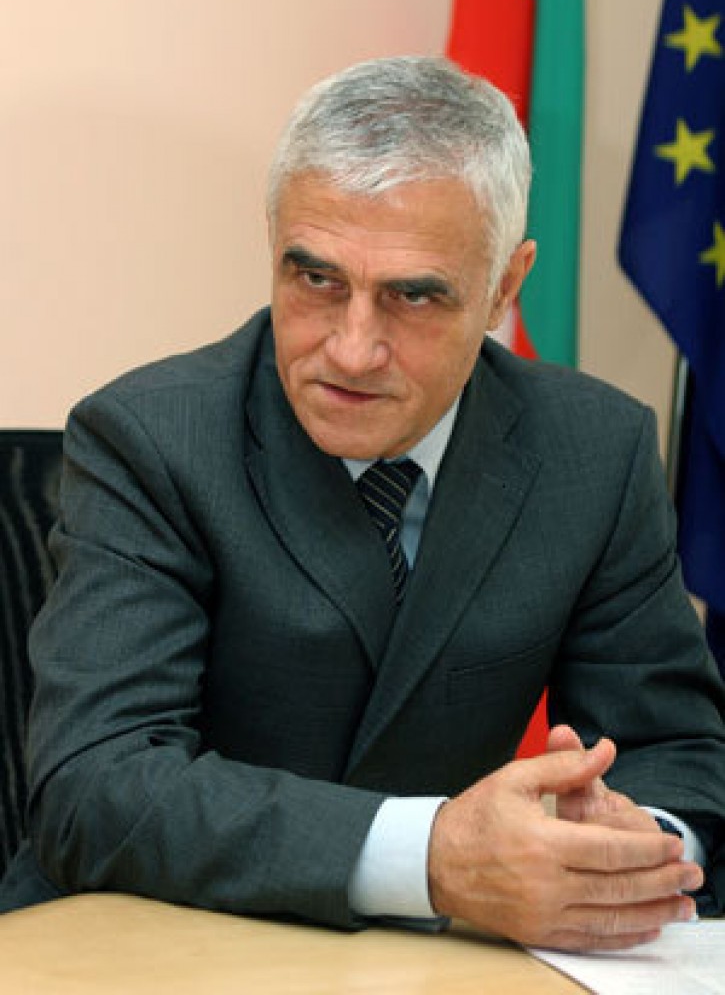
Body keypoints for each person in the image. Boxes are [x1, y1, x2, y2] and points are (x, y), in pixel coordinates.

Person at [2, 56, 724, 951]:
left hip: (437, 965)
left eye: (412, 296)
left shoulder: (592, 450)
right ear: (274, 244)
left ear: (504, 287)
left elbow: (678, 753)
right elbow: (95, 788)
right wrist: (433, 858)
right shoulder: (149, 438)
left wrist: (631, 844)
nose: (351, 349)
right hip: (146, 942)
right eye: (316, 280)